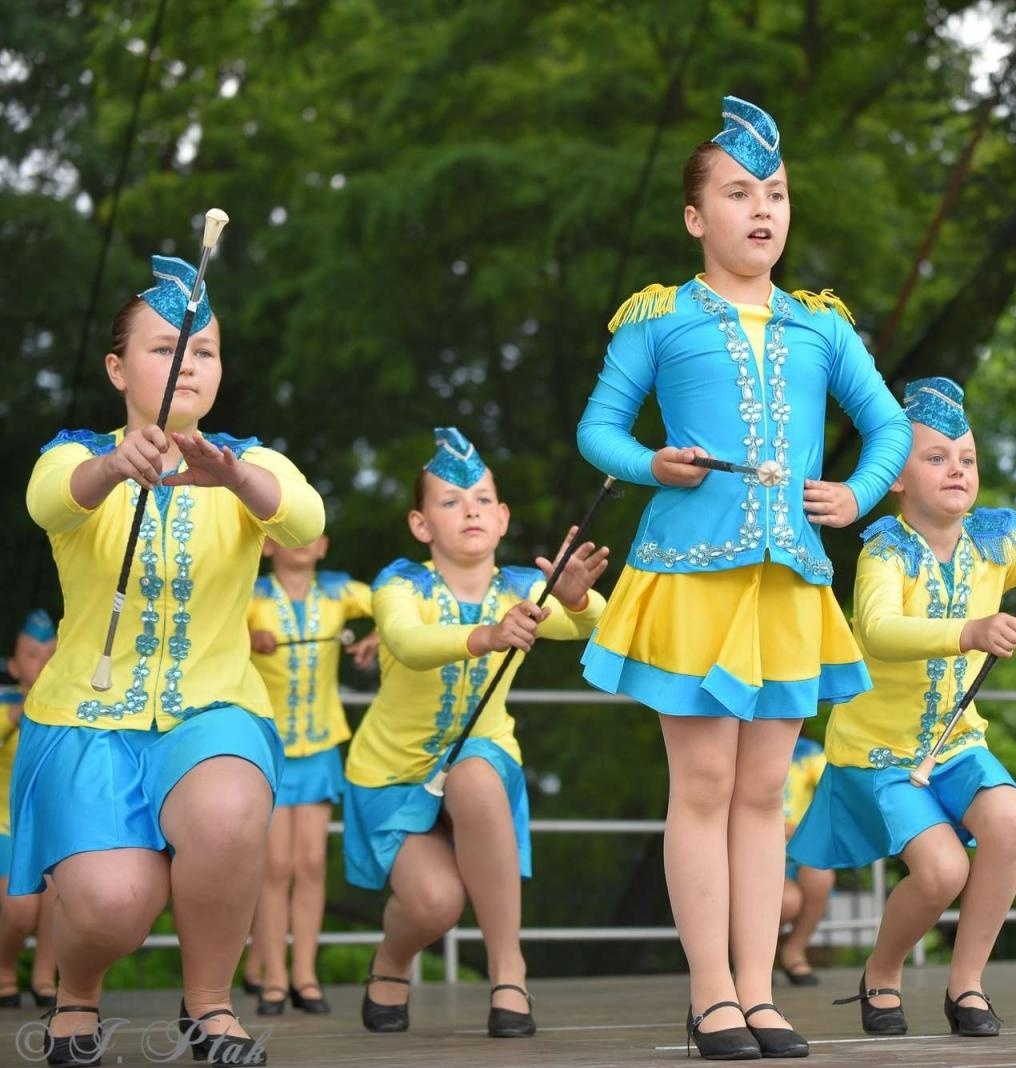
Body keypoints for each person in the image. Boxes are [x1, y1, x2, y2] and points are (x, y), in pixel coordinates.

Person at [576, 95, 912, 1060]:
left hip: (790, 580)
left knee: (765, 792)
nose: (762, 208)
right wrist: (653, 465)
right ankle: (710, 995)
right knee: (704, 782)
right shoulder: (657, 318)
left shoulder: (822, 327)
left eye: (775, 193)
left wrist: (857, 493)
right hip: (688, 576)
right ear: (696, 217)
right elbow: (598, 430)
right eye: (737, 193)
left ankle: (761, 996)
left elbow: (888, 425)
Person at [18, 254, 325, 1065]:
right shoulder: (72, 455)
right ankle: (77, 993)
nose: (188, 362)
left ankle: (209, 1006)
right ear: (117, 368)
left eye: (204, 350)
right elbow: (48, 502)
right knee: (116, 904)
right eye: (165, 347)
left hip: (212, 710)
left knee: (227, 812)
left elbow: (304, 520)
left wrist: (238, 482)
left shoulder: (251, 462)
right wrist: (112, 467)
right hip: (85, 720)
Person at [790, 377, 1016, 1037]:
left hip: (958, 743)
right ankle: (881, 974)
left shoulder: (996, 540)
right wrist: (968, 632)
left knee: (1010, 820)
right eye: (936, 457)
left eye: (967, 458)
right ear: (894, 477)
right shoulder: (885, 550)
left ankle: (966, 984)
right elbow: (878, 632)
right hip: (880, 752)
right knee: (943, 870)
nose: (957, 470)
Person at [343, 428, 608, 1038]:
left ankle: (508, 968)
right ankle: (392, 959)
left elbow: (601, 628)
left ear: (504, 517)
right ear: (420, 524)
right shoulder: (398, 584)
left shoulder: (524, 588)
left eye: (483, 500)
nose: (471, 511)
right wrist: (488, 635)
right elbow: (407, 644)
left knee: (476, 773)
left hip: (479, 765)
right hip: (392, 774)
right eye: (451, 501)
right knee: (435, 904)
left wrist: (579, 601)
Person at [240, 537, 378, 1015]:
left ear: (323, 545)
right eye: (288, 532)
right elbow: (210, 631)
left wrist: (379, 636)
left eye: (310, 532)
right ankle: (274, 978)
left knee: (312, 864)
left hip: (319, 746)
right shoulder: (250, 593)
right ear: (265, 544)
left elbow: (398, 605)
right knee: (275, 866)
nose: (300, 541)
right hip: (268, 747)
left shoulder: (340, 592)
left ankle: (305, 975)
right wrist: (245, 640)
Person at [0, 611, 60, 1010]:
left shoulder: (67, 711)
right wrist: (13, 719)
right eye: (32, 655)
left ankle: (44, 976)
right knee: (20, 907)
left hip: (50, 824)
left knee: (59, 898)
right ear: (13, 664)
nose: (41, 663)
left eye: (50, 654)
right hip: (5, 822)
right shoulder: (5, 706)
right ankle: (4, 969)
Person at [777, 732, 833, 987]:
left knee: (820, 875)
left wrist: (807, 828)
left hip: (796, 848)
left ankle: (794, 951)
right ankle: (754, 961)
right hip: (757, 850)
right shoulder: (740, 748)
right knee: (787, 902)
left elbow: (831, 788)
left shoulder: (806, 751)